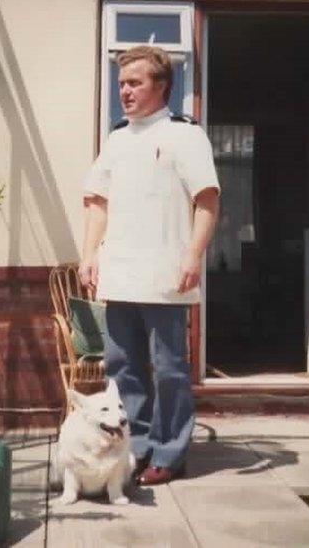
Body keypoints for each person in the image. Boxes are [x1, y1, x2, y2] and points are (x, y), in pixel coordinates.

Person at [79, 45, 220, 485]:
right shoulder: (117, 138)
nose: (125, 91)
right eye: (122, 83)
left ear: (161, 86)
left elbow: (208, 201)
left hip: (165, 276)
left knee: (170, 369)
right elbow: (97, 203)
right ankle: (135, 446)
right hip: (119, 274)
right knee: (121, 369)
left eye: (135, 82)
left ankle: (170, 452)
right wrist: (89, 254)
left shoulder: (185, 134)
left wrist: (193, 256)